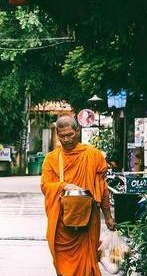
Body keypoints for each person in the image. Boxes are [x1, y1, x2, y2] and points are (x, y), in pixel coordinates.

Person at [40, 115, 115, 276]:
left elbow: (102, 188)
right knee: (63, 266)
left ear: (77, 131)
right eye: (62, 136)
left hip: (88, 222)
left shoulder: (93, 155)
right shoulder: (51, 159)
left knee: (88, 266)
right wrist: (64, 185)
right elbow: (46, 186)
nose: (66, 139)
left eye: (69, 135)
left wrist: (108, 216)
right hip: (62, 225)